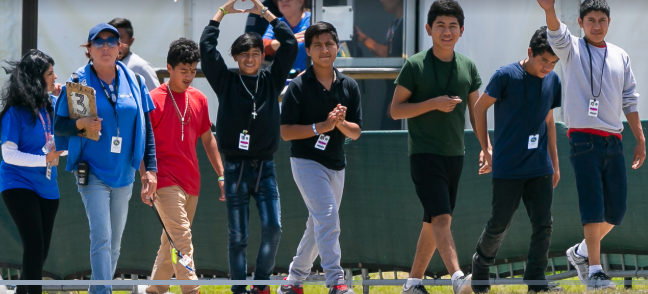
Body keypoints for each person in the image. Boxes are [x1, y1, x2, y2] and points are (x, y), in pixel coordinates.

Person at [539, 0, 646, 290]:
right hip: (583, 137)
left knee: (617, 211)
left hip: (614, 138)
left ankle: (582, 252)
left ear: (608, 23)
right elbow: (556, 33)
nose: (596, 25)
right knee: (593, 205)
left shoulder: (620, 55)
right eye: (591, 20)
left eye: (601, 20)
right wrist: (549, 9)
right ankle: (596, 271)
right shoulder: (572, 48)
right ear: (580, 22)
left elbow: (630, 99)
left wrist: (639, 137)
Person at [199, 0, 297, 293]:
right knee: (237, 235)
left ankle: (261, 284)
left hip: (265, 166)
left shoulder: (271, 79)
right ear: (236, 57)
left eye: (256, 53)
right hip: (234, 168)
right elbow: (206, 48)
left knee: (273, 227)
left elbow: (290, 44)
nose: (251, 59)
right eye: (245, 54)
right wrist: (222, 13)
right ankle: (240, 289)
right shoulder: (226, 81)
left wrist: (264, 13)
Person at [53, 23, 157, 294]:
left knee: (115, 242)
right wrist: (80, 124)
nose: (106, 47)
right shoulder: (78, 83)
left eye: (112, 41)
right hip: (92, 171)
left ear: (120, 47)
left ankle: (98, 291)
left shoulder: (134, 80)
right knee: (102, 237)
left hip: (124, 171)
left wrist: (150, 170)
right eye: (98, 42)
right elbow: (59, 126)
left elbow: (146, 130)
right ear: (88, 50)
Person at [389, 1, 482, 294]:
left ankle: (412, 284)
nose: (447, 31)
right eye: (440, 25)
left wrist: (487, 147)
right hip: (424, 154)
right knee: (442, 217)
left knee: (433, 220)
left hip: (455, 154)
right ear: (428, 29)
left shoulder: (467, 66)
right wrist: (433, 104)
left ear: (462, 30)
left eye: (453, 25)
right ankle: (457, 277)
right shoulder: (415, 64)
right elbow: (395, 110)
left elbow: (477, 112)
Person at [470, 27, 562, 294]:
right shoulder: (505, 75)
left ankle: (536, 281)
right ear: (530, 52)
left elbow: (549, 121)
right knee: (500, 223)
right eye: (543, 60)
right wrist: (486, 147)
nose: (548, 67)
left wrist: (554, 163)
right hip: (508, 166)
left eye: (553, 63)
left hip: (540, 166)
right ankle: (481, 265)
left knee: (544, 223)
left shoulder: (553, 80)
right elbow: (479, 108)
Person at [278, 22, 362, 294]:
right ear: (309, 51)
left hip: (337, 164)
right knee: (327, 218)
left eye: (329, 44)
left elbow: (356, 131)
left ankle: (293, 280)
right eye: (318, 45)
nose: (325, 49)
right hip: (306, 162)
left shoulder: (349, 85)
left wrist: (339, 124)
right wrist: (320, 127)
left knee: (318, 224)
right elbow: (286, 132)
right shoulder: (298, 86)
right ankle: (336, 282)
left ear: (338, 47)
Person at [145, 38, 226, 294]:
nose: (189, 75)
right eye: (184, 70)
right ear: (169, 68)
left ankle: (155, 290)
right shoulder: (153, 100)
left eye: (193, 70)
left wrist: (222, 175)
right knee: (182, 240)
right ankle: (191, 289)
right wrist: (146, 176)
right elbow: (142, 144)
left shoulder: (199, 98)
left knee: (170, 242)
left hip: (192, 181)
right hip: (164, 181)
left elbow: (208, 138)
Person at [0, 49, 64, 294]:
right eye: (50, 73)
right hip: (17, 183)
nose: (55, 77)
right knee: (35, 245)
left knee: (40, 252)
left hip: (47, 185)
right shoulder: (14, 113)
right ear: (37, 79)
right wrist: (45, 159)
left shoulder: (53, 105)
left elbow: (65, 141)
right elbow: (9, 155)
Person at [108, 18, 161, 92]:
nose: (116, 42)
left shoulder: (142, 67)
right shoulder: (99, 65)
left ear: (131, 41)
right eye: (112, 37)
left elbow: (156, 96)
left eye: (121, 37)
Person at [262, 0, 310, 73]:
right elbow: (262, 46)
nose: (284, 1)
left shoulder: (312, 20)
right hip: (283, 79)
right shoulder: (276, 22)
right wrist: (287, 42)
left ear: (301, 1)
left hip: (307, 78)